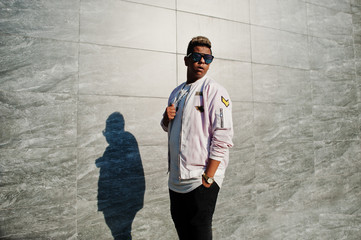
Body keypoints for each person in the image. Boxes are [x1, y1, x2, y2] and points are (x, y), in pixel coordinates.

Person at [160, 36, 234, 240]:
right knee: (184, 233)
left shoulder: (215, 91)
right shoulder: (176, 93)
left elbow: (223, 136)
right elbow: (169, 128)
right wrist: (166, 118)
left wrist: (209, 177)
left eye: (207, 59)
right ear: (186, 60)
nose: (202, 61)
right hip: (176, 180)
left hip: (200, 179)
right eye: (197, 56)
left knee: (199, 233)